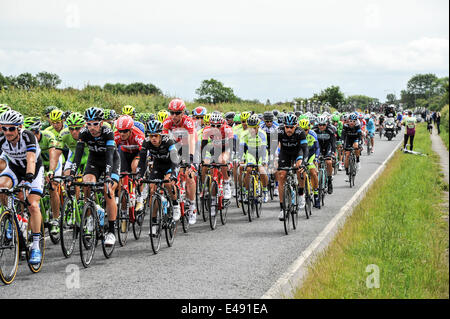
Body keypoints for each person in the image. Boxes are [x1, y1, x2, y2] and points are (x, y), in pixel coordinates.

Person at [68, 107, 120, 247]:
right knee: (86, 184)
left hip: (111, 161)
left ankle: (111, 231)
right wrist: (72, 174)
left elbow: (109, 156)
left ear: (101, 123)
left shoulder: (108, 132)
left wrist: (108, 176)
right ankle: (90, 216)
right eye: (89, 123)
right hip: (94, 161)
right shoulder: (84, 133)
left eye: (95, 123)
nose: (91, 127)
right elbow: (78, 155)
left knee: (108, 189)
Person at [0, 110, 45, 264]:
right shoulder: (1, 138)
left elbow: (31, 160)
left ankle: (36, 246)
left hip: (33, 170)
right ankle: (10, 218)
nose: (7, 132)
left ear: (19, 127)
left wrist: (27, 181)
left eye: (11, 128)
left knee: (32, 205)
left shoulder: (28, 136)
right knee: (2, 187)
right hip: (14, 168)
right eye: (4, 128)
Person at [136, 120, 180, 233]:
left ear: (160, 135)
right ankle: (154, 222)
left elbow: (175, 160)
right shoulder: (146, 142)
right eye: (151, 136)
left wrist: (174, 175)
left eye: (155, 135)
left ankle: (175, 205)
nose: (153, 139)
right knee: (152, 189)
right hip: (158, 165)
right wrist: (139, 175)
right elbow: (142, 161)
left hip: (171, 164)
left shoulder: (168, 141)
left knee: (168, 183)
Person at [276, 114, 308, 220]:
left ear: (296, 126)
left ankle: (301, 193)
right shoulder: (279, 131)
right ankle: (282, 208)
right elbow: (272, 147)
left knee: (299, 169)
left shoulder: (300, 132)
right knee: (281, 175)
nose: (289, 129)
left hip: (297, 153)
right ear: (284, 126)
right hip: (285, 153)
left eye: (291, 127)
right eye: (287, 127)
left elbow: (305, 149)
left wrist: (303, 162)